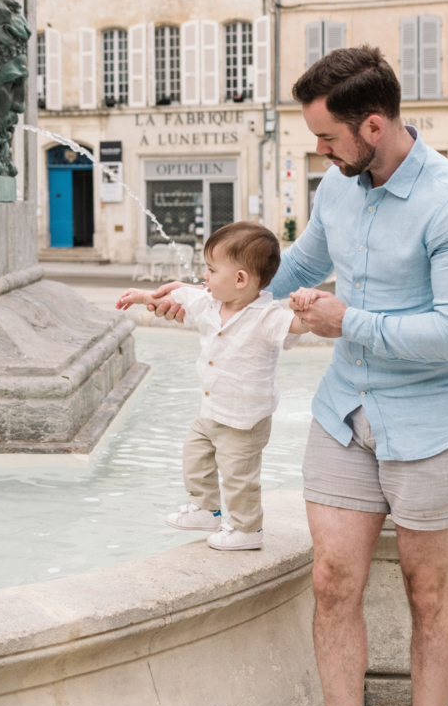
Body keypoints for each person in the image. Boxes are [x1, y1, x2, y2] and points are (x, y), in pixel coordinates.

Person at [148, 46, 448, 706]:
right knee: (332, 583)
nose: (321, 151)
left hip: (431, 423)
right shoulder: (339, 192)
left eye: (328, 138)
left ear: (372, 125)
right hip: (344, 415)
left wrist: (349, 321)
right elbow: (285, 268)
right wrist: (194, 296)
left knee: (426, 593)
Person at [117, 221, 310, 551]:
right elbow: (178, 294)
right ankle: (207, 509)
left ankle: (248, 529)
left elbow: (301, 324)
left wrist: (305, 306)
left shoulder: (267, 315)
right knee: (195, 456)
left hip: (244, 417)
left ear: (240, 280)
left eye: (210, 269)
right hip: (211, 409)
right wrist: (143, 296)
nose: (204, 276)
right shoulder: (208, 302)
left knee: (239, 476)